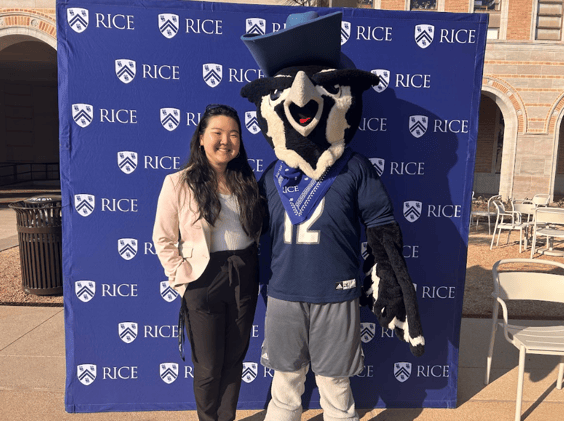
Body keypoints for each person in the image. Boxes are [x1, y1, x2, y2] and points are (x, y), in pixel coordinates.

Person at [152, 104, 265, 421]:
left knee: (234, 360)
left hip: (244, 273)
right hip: (203, 279)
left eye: (234, 134)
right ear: (201, 138)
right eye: (217, 133)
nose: (226, 141)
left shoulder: (246, 181)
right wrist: (181, 280)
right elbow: (162, 239)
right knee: (208, 366)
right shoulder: (177, 183)